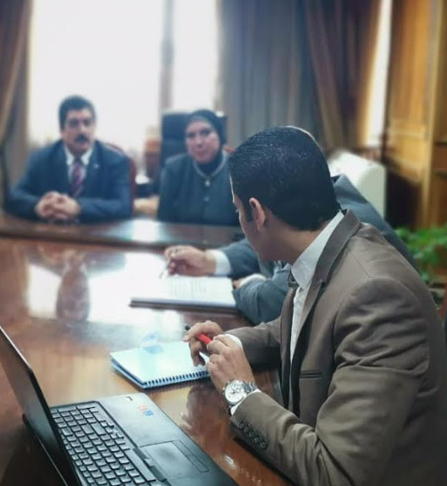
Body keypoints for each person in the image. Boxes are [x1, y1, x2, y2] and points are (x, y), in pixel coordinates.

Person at [184, 127, 447, 485]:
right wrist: (231, 343)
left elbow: (333, 471)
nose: (240, 222)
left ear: (257, 212)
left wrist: (240, 393)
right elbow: (303, 327)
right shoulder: (330, 245)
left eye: (238, 210)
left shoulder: (379, 295)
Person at [166, 173, 416, 323]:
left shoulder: (341, 219)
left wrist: (246, 283)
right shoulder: (311, 199)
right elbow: (265, 237)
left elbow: (273, 304)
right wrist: (211, 260)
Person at [6, 95, 132, 223]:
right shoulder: (42, 158)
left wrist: (78, 207)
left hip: (97, 233)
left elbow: (123, 206)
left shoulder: (114, 161)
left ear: (94, 126)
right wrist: (37, 206)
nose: (82, 130)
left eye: (87, 123)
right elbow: (14, 196)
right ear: (62, 130)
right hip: (51, 232)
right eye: (73, 124)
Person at [157, 109, 238, 226]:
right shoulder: (174, 169)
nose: (198, 142)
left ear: (220, 136)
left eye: (205, 133)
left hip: (229, 238)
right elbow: (163, 223)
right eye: (191, 136)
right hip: (181, 238)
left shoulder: (239, 169)